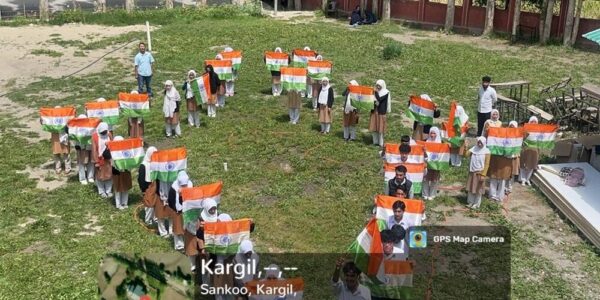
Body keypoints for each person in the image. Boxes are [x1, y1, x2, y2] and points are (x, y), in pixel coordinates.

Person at [168, 171, 192, 251]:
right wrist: (179, 197)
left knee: (187, 228)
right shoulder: (173, 188)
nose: (184, 187)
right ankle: (179, 245)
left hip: (187, 210)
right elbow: (171, 201)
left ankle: (186, 244)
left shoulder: (190, 186)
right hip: (177, 211)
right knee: (178, 229)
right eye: (182, 185)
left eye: (185, 185)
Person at [465, 137, 491, 209]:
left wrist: (483, 174)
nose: (479, 144)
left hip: (480, 172)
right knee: (471, 187)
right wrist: (466, 147)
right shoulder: (474, 149)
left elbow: (487, 164)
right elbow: (466, 155)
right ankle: (470, 202)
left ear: (484, 143)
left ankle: (476, 204)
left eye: (481, 143)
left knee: (478, 189)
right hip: (472, 171)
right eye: (478, 142)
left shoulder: (487, 152)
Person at [109, 136, 132, 210]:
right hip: (117, 172)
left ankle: (124, 203)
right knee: (118, 188)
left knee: (125, 187)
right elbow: (111, 160)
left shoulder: (127, 149)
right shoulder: (112, 150)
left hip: (125, 170)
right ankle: (118, 204)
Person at [91, 122, 113, 198]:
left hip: (108, 158)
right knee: (100, 176)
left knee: (109, 175)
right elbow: (94, 150)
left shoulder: (109, 134)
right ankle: (101, 191)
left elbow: (113, 145)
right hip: (99, 159)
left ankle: (108, 190)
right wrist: (96, 161)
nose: (104, 133)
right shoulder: (95, 137)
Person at [138, 146, 157, 225]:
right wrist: (143, 190)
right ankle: (148, 220)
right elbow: (141, 179)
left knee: (156, 203)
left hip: (155, 185)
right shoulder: (143, 165)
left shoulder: (156, 163)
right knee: (149, 204)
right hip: (147, 187)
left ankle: (155, 218)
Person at [72, 114, 93, 184]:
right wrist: (76, 145)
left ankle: (90, 177)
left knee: (90, 162)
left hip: (89, 146)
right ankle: (82, 178)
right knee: (81, 163)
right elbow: (73, 137)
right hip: (81, 147)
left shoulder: (90, 126)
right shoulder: (76, 127)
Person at [369, 80, 391, 147]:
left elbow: (379, 99)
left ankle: (381, 143)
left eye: (379, 85)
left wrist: (375, 92)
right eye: (377, 85)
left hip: (381, 112)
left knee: (380, 128)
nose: (378, 87)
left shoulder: (385, 92)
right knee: (374, 127)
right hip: (374, 111)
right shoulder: (375, 92)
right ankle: (375, 141)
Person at [422, 127, 442, 200]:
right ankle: (425, 193)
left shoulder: (440, 143)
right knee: (425, 179)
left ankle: (432, 194)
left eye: (434, 133)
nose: (432, 135)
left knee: (434, 179)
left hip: (435, 164)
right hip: (427, 163)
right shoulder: (425, 142)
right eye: (431, 133)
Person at [520, 116, 540, 186]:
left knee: (531, 164)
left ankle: (528, 179)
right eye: (532, 121)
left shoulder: (538, 130)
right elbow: (522, 138)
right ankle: (523, 179)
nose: (533, 123)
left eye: (535, 122)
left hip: (534, 150)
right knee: (524, 164)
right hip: (526, 149)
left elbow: (540, 141)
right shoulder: (526, 129)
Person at [505, 121, 520, 194]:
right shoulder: (505, 133)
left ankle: (509, 187)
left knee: (512, 172)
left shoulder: (518, 135)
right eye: (510, 126)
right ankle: (504, 186)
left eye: (513, 126)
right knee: (505, 171)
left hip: (514, 156)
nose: (511, 127)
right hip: (506, 156)